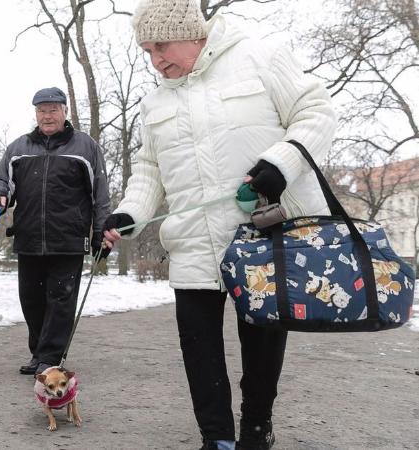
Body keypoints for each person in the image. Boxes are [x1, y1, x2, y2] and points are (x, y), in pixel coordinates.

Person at [101, 2, 336, 449]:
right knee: (199, 348)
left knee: (261, 344)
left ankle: (255, 427)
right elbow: (149, 170)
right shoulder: (155, 100)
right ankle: (216, 438)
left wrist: (280, 163)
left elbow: (317, 112)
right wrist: (129, 214)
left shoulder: (259, 57)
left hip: (264, 235)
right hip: (192, 242)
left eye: (161, 46)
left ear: (193, 33)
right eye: (147, 50)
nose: (155, 60)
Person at [0, 87, 110, 376]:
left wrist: (101, 233)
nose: (47, 115)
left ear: (65, 111)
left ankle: (50, 357)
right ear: (35, 113)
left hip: (68, 239)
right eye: (42, 110)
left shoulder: (85, 147)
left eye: (53, 109)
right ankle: (39, 353)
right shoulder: (19, 148)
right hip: (28, 237)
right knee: (31, 300)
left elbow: (100, 194)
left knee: (60, 300)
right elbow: (0, 179)